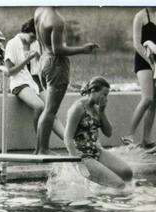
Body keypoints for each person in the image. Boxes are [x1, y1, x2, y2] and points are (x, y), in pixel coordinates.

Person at [34, 7, 98, 154]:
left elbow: (42, 41)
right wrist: (83, 49)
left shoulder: (40, 11)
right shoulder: (57, 20)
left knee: (47, 110)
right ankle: (43, 150)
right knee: (50, 110)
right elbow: (58, 50)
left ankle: (38, 149)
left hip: (43, 60)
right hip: (56, 64)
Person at [4, 18, 65, 152]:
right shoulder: (12, 44)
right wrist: (27, 59)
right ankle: (40, 148)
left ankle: (70, 143)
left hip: (34, 81)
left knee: (51, 110)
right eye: (32, 36)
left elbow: (39, 69)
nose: (33, 40)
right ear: (26, 30)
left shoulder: (34, 43)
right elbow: (8, 72)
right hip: (19, 82)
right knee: (39, 106)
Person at [64, 76, 133, 188]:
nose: (105, 98)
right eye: (104, 94)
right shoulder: (78, 108)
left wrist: (102, 112)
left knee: (127, 173)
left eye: (107, 95)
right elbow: (67, 138)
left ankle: (106, 192)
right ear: (93, 91)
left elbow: (108, 133)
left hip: (96, 151)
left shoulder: (96, 108)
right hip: (82, 156)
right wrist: (78, 163)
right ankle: (109, 201)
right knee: (118, 185)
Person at [121, 8, 156, 149]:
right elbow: (136, 44)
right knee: (147, 98)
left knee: (154, 103)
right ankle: (128, 135)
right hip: (144, 61)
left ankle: (146, 139)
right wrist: (151, 63)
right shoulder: (140, 16)